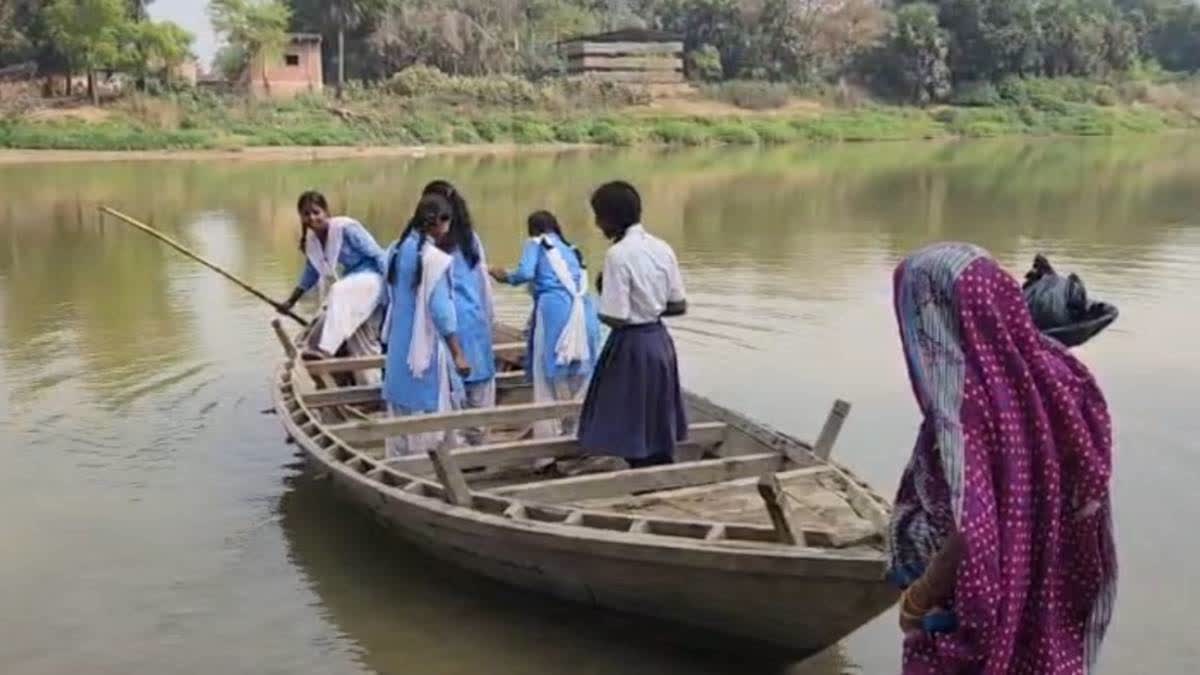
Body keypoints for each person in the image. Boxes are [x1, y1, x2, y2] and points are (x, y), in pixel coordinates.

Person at [888, 242, 1117, 674]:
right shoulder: (1062, 373)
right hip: (1052, 579)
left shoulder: (966, 403)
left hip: (973, 598)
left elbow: (975, 527)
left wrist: (921, 597)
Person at [576, 181, 688, 468]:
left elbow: (616, 316)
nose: (598, 225)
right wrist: (650, 305)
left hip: (632, 345)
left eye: (599, 217)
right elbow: (678, 305)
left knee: (629, 420)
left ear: (610, 218)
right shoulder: (662, 248)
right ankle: (660, 472)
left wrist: (602, 292)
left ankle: (642, 477)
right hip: (660, 342)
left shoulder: (618, 255)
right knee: (656, 418)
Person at [490, 210, 602, 437]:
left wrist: (502, 275)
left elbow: (525, 273)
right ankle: (577, 436)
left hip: (555, 314)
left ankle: (545, 452)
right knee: (579, 379)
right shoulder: (573, 250)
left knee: (545, 382)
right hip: (585, 314)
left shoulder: (537, 243)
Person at [380, 193, 472, 458]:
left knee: (400, 407)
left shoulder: (395, 251)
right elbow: (443, 313)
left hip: (398, 343)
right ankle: (428, 467)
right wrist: (458, 354)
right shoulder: (434, 259)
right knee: (428, 407)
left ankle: (398, 464)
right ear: (440, 223)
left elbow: (387, 296)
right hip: (425, 348)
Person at [277, 191, 387, 384]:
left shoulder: (346, 228)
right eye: (306, 214)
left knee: (337, 292)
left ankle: (325, 350)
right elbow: (310, 274)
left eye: (316, 212)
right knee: (356, 340)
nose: (312, 218)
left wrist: (393, 289)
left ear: (326, 212)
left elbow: (379, 255)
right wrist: (291, 301)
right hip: (350, 291)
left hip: (371, 281)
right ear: (301, 217)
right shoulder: (312, 242)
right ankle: (367, 388)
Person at [422, 180, 496, 445]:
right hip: (473, 320)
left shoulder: (424, 247)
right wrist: (489, 322)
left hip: (444, 326)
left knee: (448, 390)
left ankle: (455, 448)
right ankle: (478, 446)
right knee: (479, 389)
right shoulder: (470, 240)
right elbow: (483, 285)